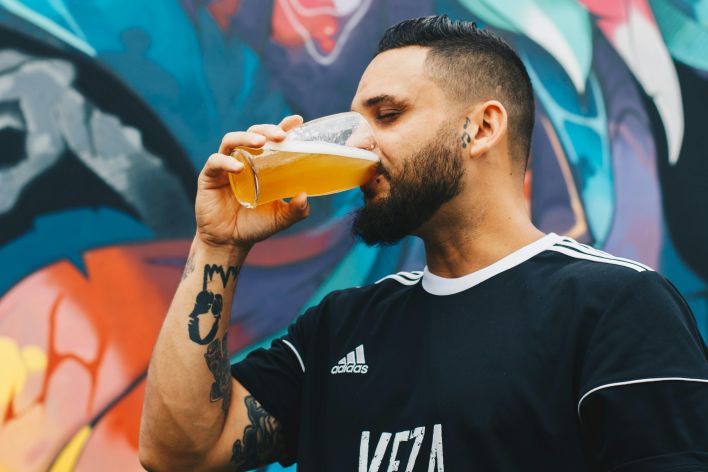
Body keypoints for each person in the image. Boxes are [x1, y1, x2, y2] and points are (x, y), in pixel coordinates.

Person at [138, 15, 708, 471]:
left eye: (387, 115)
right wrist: (218, 244)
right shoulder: (339, 328)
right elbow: (180, 452)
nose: (360, 142)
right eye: (354, 120)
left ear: (481, 128)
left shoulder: (617, 307)